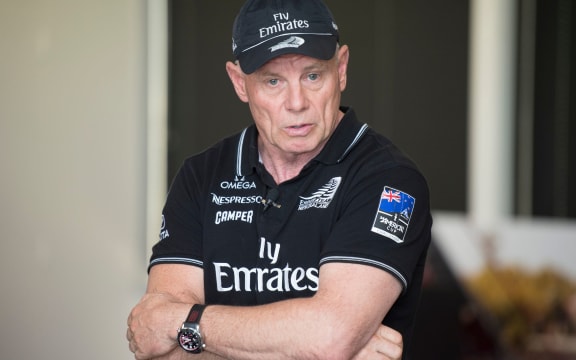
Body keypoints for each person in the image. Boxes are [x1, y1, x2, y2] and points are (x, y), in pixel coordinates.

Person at [127, 0, 432, 359]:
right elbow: (157, 346)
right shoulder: (201, 177)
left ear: (342, 69)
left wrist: (188, 326)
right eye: (273, 81)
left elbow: (330, 337)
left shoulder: (388, 179)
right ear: (240, 83)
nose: (296, 102)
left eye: (313, 75)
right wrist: (309, 343)